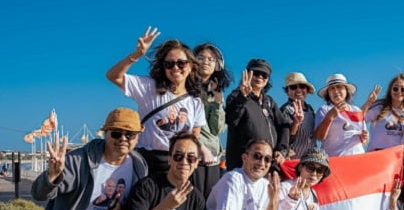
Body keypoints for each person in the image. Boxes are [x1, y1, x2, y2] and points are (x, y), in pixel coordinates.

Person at [106, 27, 210, 174]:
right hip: (146, 160)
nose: (175, 68)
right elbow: (113, 76)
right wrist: (136, 55)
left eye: (181, 63)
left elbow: (194, 136)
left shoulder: (195, 101)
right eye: (169, 64)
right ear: (163, 67)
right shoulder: (149, 87)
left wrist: (200, 152)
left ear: (191, 66)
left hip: (177, 162)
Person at [224, 59, 291, 170]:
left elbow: (284, 125)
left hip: (267, 166)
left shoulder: (269, 101)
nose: (260, 77)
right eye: (256, 73)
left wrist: (282, 150)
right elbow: (231, 120)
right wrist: (242, 97)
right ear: (247, 74)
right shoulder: (236, 96)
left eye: (264, 75)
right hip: (243, 166)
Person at [192, 42, 232, 198]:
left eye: (211, 59)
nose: (206, 62)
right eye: (201, 58)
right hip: (193, 153)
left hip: (213, 156)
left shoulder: (216, 91)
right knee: (193, 199)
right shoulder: (186, 87)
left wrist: (217, 102)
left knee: (210, 201)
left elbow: (218, 129)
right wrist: (200, 148)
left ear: (217, 65)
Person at [364, 73, 404, 167]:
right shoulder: (380, 107)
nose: (399, 91)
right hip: (378, 155)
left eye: (403, 89)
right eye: (395, 88)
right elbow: (359, 118)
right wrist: (369, 103)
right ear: (390, 90)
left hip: (399, 157)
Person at [314, 73, 376, 157]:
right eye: (332, 88)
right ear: (328, 93)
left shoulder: (356, 110)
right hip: (335, 160)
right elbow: (319, 137)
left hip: (358, 158)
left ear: (346, 90)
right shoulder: (324, 109)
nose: (336, 91)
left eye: (339, 87)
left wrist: (365, 138)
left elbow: (363, 140)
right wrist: (329, 117)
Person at [279, 72, 317, 159]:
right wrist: (296, 123)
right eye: (293, 87)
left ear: (307, 90)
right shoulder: (285, 110)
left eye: (302, 86)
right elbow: (284, 137)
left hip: (310, 160)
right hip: (292, 161)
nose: (298, 90)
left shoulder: (311, 110)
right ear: (287, 91)